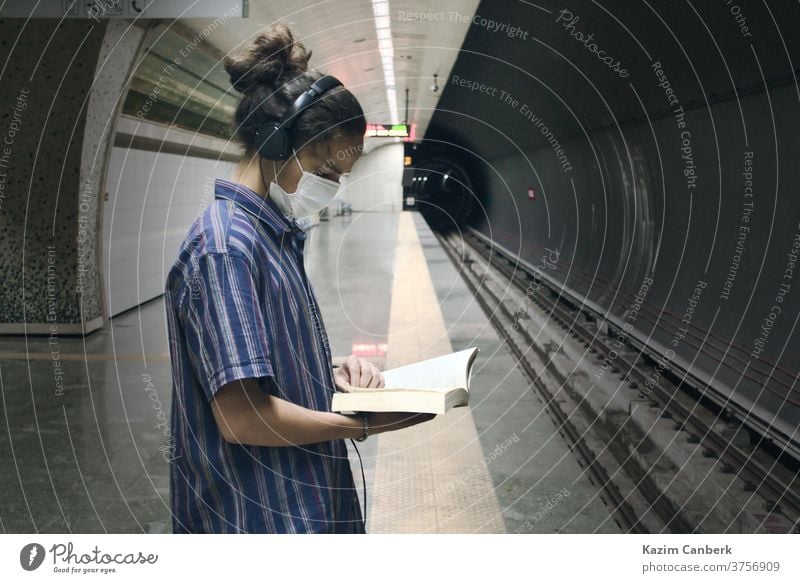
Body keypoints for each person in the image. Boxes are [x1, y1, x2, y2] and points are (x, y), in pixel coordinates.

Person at [164, 24, 433, 534]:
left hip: (302, 501)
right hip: (258, 516)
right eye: (323, 171)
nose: (329, 188)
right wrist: (366, 422)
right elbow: (242, 417)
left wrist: (326, 371)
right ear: (274, 143)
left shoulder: (275, 236)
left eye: (340, 179)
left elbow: (253, 361)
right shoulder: (226, 248)